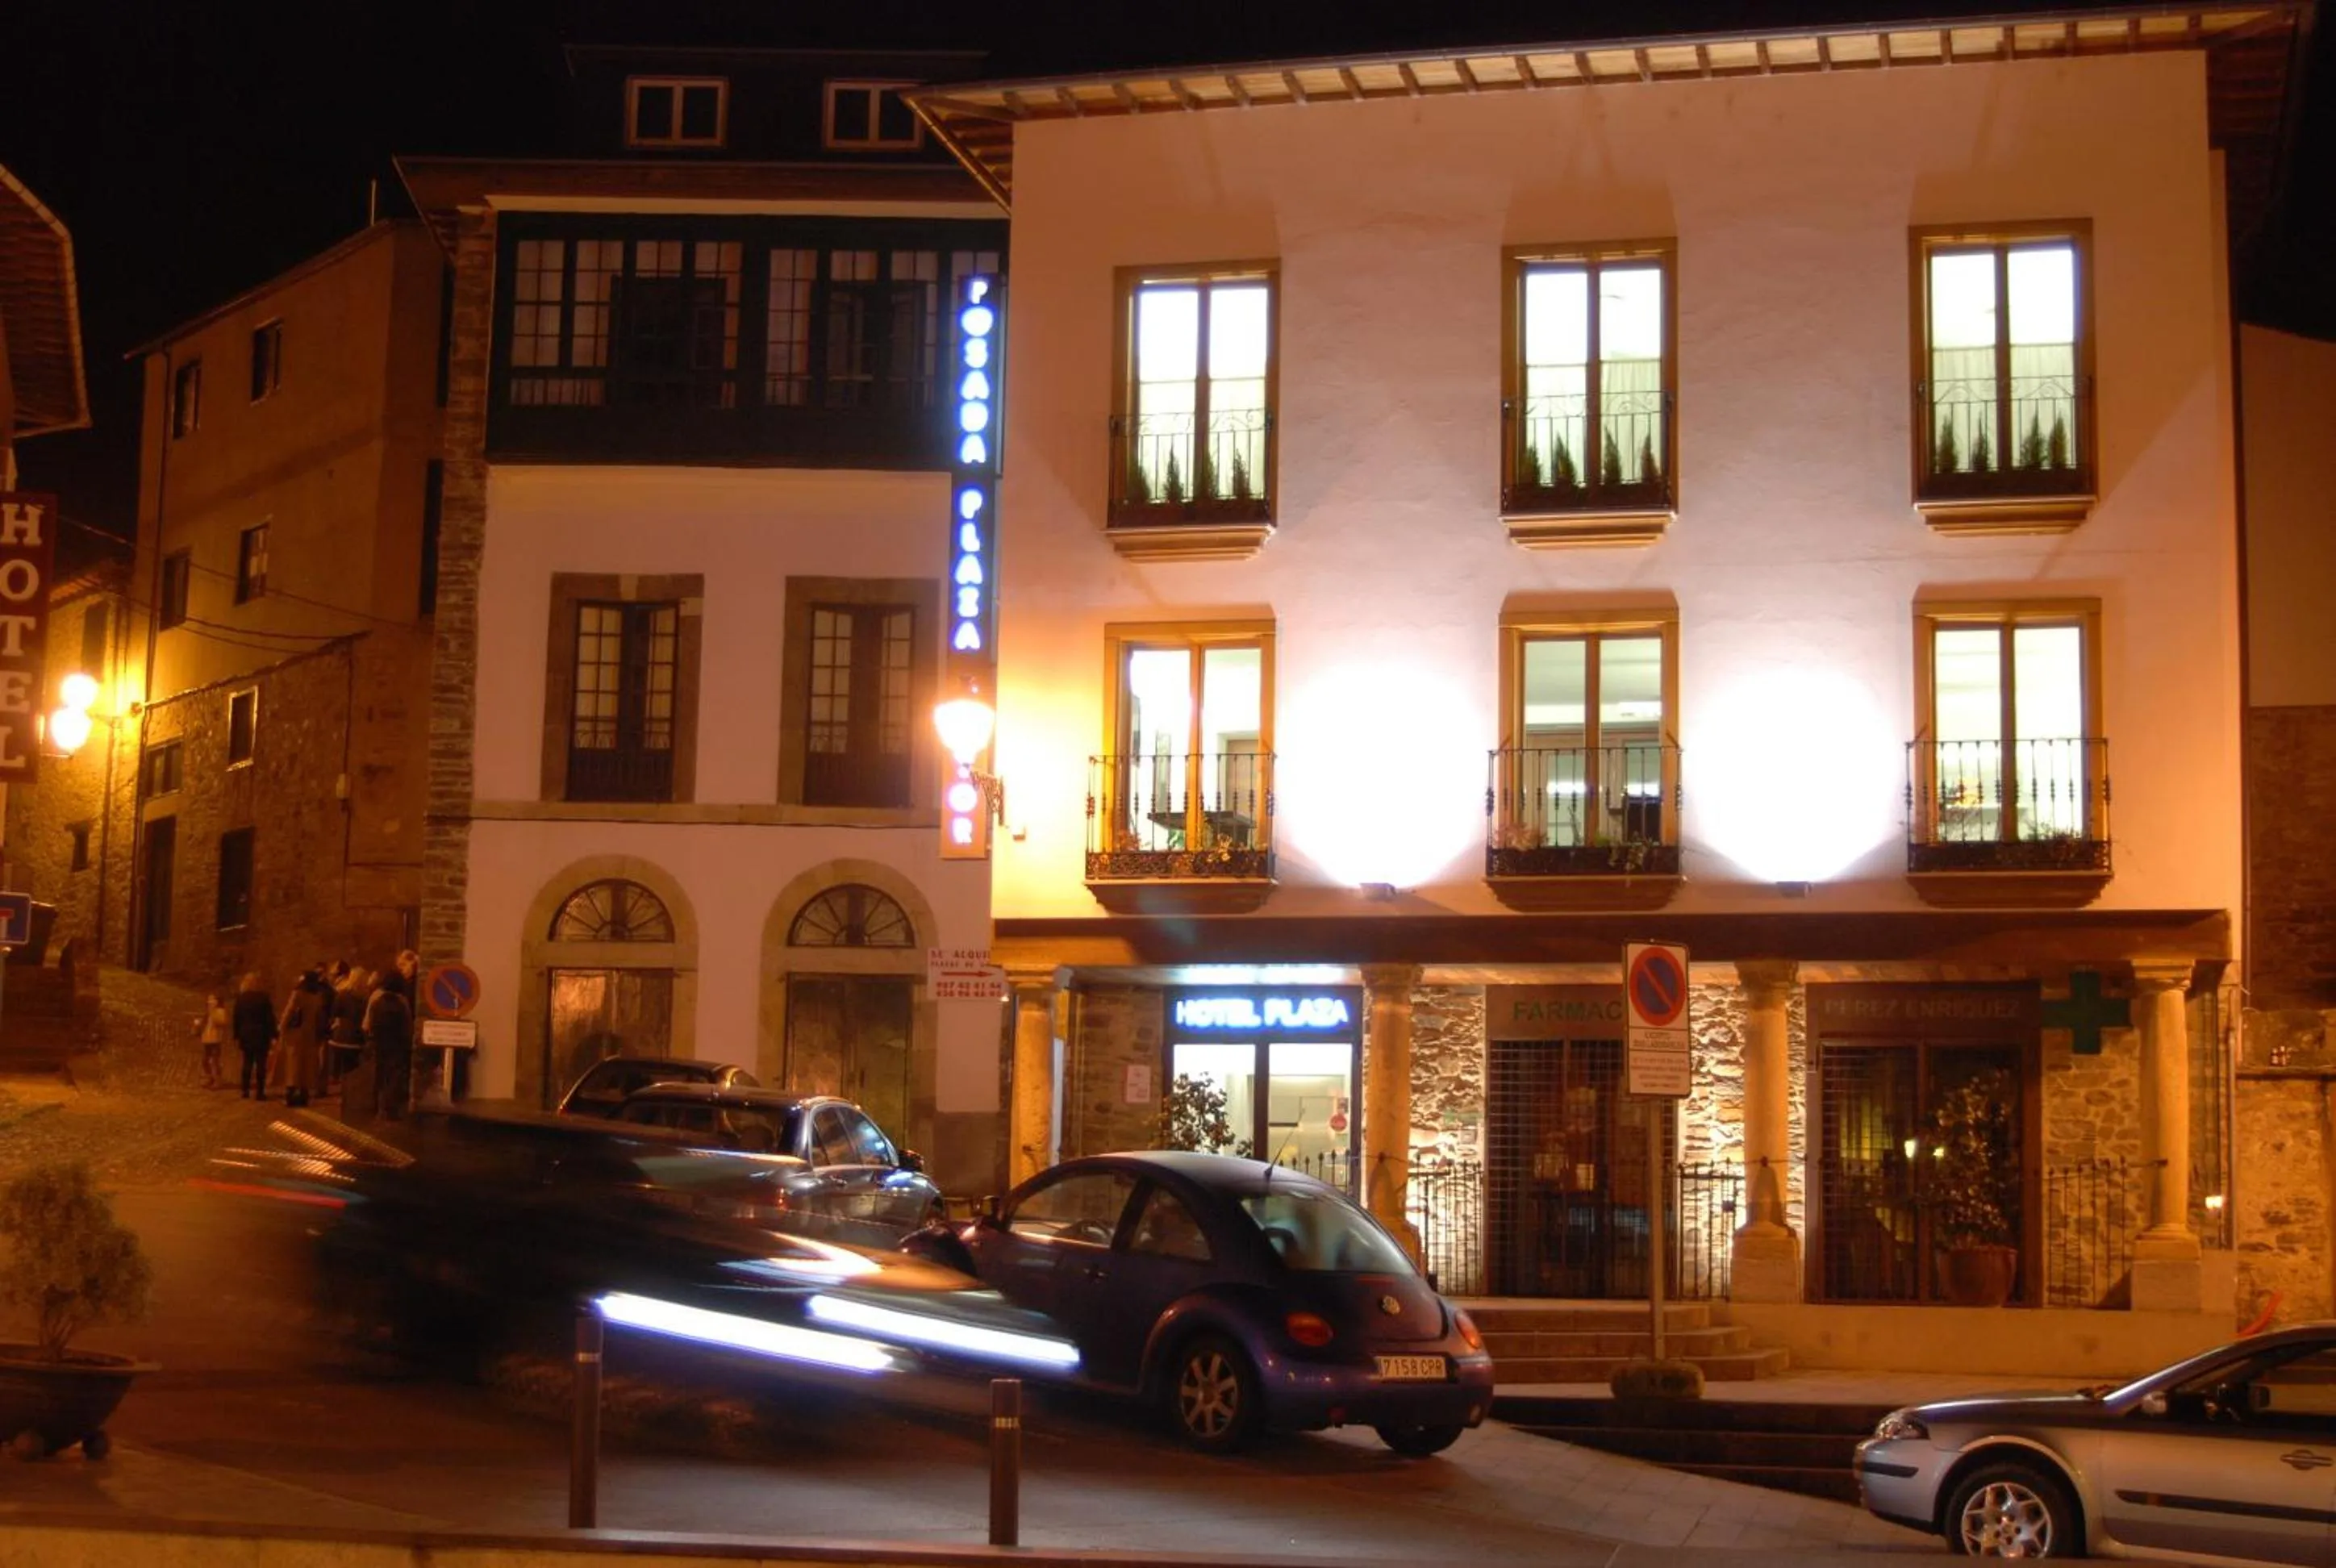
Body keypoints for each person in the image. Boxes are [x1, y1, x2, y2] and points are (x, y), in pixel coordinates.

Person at [275, 967, 332, 1109]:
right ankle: (304, 1094)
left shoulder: (298, 994)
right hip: (310, 1032)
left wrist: (281, 1027)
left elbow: (289, 1011)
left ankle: (290, 1094)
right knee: (306, 1064)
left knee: (293, 1063)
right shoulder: (316, 996)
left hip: (296, 1033)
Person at [365, 968, 415, 1122]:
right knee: (394, 1076)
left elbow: (368, 1024)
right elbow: (408, 1025)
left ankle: (376, 1107)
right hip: (397, 1045)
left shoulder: (377, 999)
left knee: (379, 1074)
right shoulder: (402, 1001)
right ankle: (390, 1109)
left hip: (379, 1043)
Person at [231, 972, 277, 1100]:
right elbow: (269, 1018)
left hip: (246, 1034)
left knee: (247, 1062)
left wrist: (236, 1035)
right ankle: (260, 1092)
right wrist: (274, 1034)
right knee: (261, 1064)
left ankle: (245, 1090)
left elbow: (236, 1018)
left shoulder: (241, 999)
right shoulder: (264, 998)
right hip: (261, 1034)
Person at [327, 967, 370, 1093]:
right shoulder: (366, 998)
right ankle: (351, 1093)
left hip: (341, 1036)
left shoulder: (343, 995)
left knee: (344, 1068)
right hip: (357, 1037)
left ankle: (345, 1093)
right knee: (354, 1068)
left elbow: (335, 1013)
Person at [196, 992, 227, 1090]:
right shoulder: (208, 1012)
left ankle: (217, 1080)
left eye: (212, 1000)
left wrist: (212, 1012)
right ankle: (210, 1077)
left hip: (215, 1040)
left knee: (214, 1061)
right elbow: (205, 1024)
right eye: (209, 1000)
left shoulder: (220, 1011)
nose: (210, 1002)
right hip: (207, 1039)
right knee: (205, 1060)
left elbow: (221, 1022)